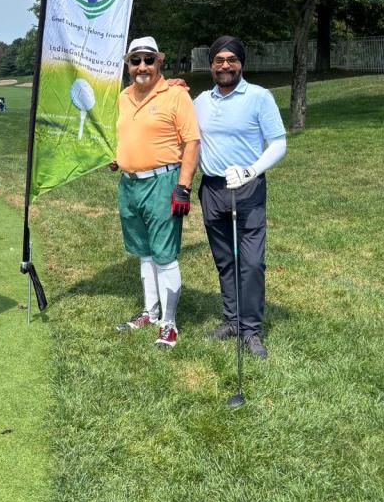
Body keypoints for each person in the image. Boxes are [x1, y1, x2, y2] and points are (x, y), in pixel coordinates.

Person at [194, 36, 286, 359]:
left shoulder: (259, 97)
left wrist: (251, 170)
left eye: (231, 59)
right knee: (225, 261)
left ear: (241, 64)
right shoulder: (200, 101)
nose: (225, 66)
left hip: (247, 188)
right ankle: (232, 321)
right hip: (211, 189)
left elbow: (278, 143)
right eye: (219, 60)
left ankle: (251, 330)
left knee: (251, 262)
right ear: (211, 65)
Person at [111, 37, 200, 348]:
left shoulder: (176, 94)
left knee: (164, 254)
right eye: (135, 60)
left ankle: (169, 323)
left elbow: (192, 142)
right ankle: (150, 312)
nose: (142, 66)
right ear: (128, 65)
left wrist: (183, 187)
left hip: (162, 183)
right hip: (129, 184)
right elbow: (126, 135)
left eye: (149, 60)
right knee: (145, 252)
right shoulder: (123, 97)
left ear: (159, 62)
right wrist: (117, 157)